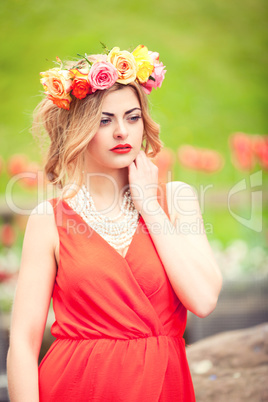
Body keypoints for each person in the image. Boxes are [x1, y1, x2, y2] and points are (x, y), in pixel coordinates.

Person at [7, 44, 223, 401]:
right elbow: (23, 342)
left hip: (161, 386)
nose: (122, 131)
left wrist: (150, 207)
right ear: (77, 127)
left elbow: (202, 300)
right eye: (104, 120)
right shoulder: (49, 220)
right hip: (72, 386)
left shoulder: (177, 199)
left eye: (132, 117)